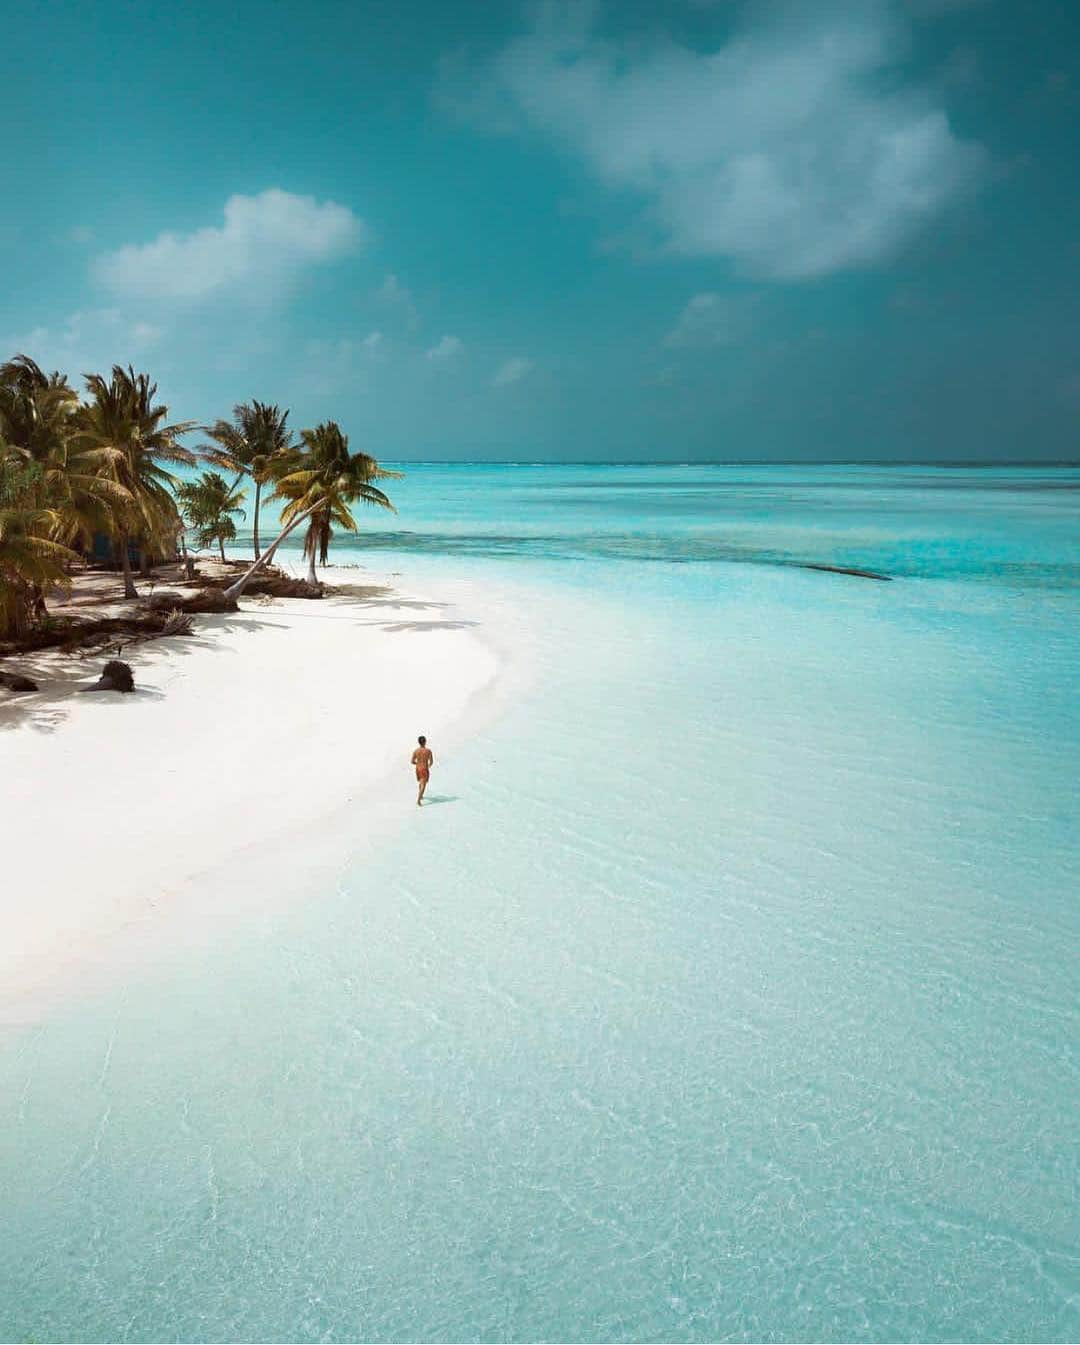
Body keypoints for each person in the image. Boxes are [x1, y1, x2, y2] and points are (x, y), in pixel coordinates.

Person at [410, 734, 434, 806]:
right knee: (423, 784)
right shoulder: (428, 751)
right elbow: (431, 762)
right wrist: (428, 766)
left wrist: (418, 763)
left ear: (419, 742)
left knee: (420, 782)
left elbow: (412, 761)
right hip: (424, 768)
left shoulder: (416, 751)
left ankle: (421, 796)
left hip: (418, 768)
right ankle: (418, 800)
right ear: (425, 742)